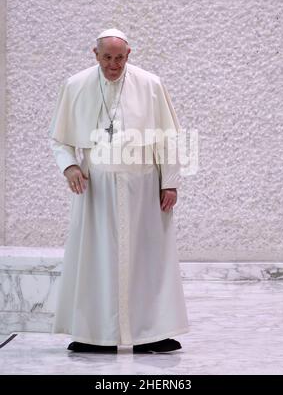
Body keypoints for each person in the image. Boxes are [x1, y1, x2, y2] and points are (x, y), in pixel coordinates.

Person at [49, 28, 189, 353]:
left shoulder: (151, 85)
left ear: (130, 54)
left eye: (119, 58)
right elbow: (59, 138)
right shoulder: (75, 86)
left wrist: (169, 181)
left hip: (142, 187)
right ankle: (95, 334)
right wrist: (70, 166)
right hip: (96, 188)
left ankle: (151, 333)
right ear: (95, 54)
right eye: (107, 58)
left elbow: (169, 137)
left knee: (148, 259)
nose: (114, 65)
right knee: (96, 260)